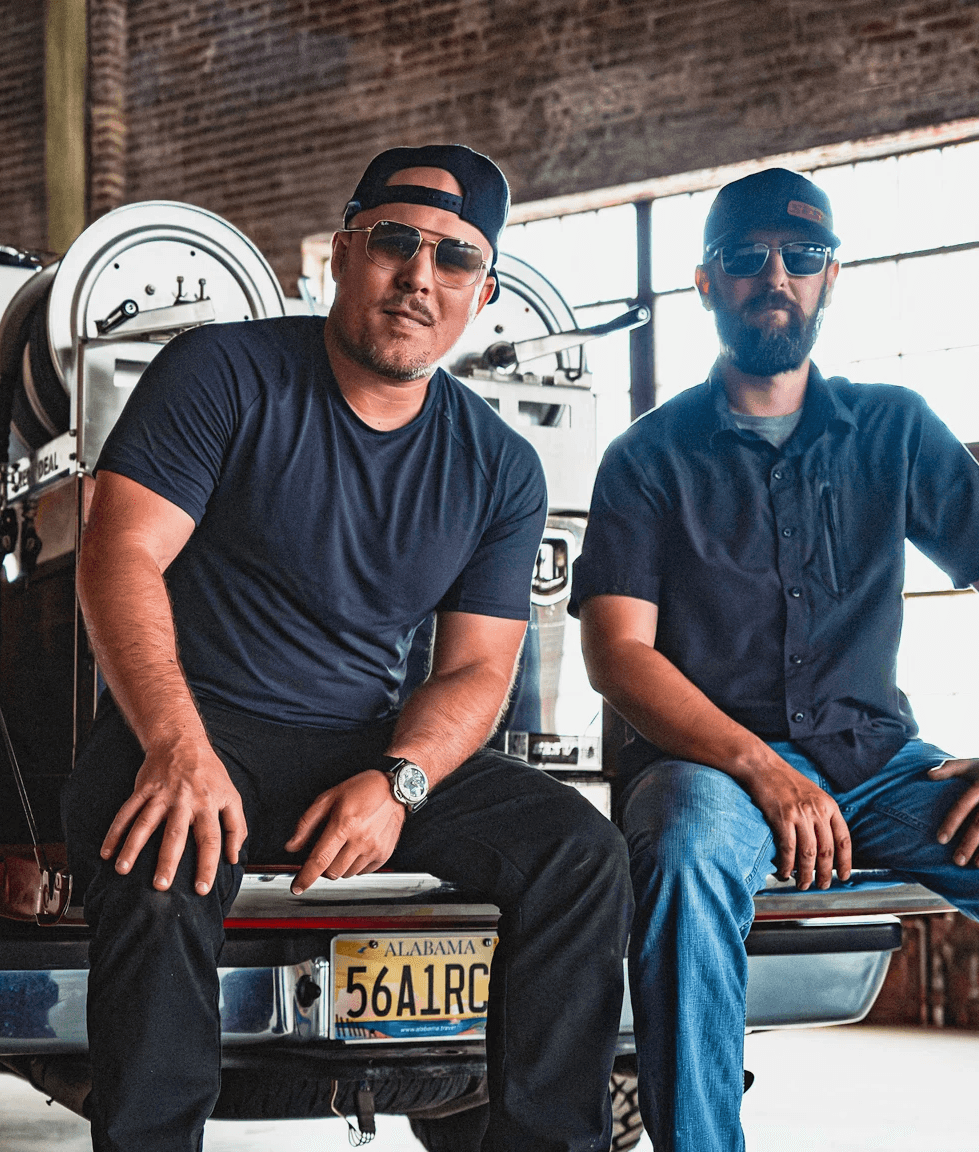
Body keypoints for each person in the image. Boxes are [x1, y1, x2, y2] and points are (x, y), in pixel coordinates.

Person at [573, 168, 979, 1152]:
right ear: (707, 282)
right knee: (686, 858)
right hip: (708, 773)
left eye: (801, 255)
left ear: (831, 277)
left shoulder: (894, 427)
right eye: (747, 257)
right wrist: (762, 769)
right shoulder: (647, 457)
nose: (775, 274)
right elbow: (618, 655)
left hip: (878, 767)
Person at [64, 144, 631, 1152]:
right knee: (162, 867)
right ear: (340, 254)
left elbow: (476, 669)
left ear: (484, 292)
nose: (420, 278)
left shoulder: (499, 466)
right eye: (394, 243)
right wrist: (176, 748)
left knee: (580, 856)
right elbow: (120, 556)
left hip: (360, 748)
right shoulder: (221, 373)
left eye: (454, 259)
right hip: (191, 728)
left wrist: (401, 783)